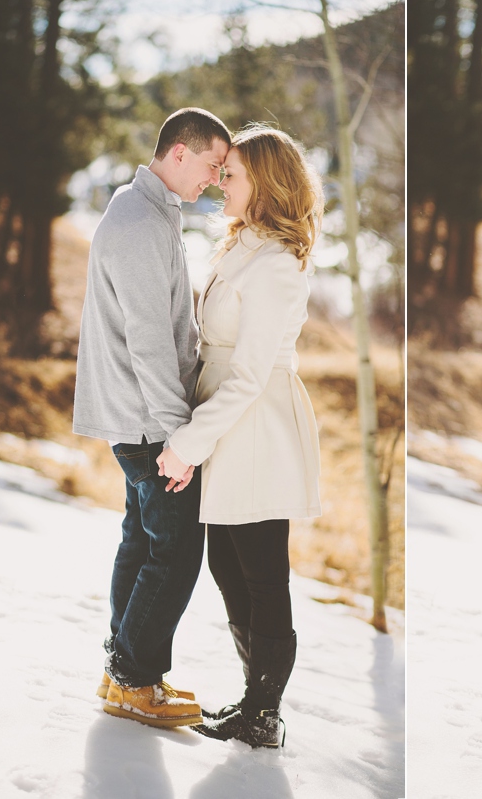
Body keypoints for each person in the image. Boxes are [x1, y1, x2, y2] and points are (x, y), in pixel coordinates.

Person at [156, 123, 324, 749]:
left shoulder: (279, 263)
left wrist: (188, 444)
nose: (221, 182)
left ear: (265, 183)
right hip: (223, 419)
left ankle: (265, 714)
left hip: (256, 427)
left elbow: (250, 374)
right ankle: (255, 698)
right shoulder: (239, 246)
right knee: (228, 567)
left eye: (234, 173)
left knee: (260, 575)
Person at [74, 107, 231, 727]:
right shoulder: (140, 223)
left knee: (142, 542)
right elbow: (147, 340)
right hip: (148, 424)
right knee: (176, 550)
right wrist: (179, 438)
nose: (215, 180)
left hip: (139, 420)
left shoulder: (146, 211)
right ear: (179, 155)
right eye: (213, 166)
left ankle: (125, 672)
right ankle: (134, 678)